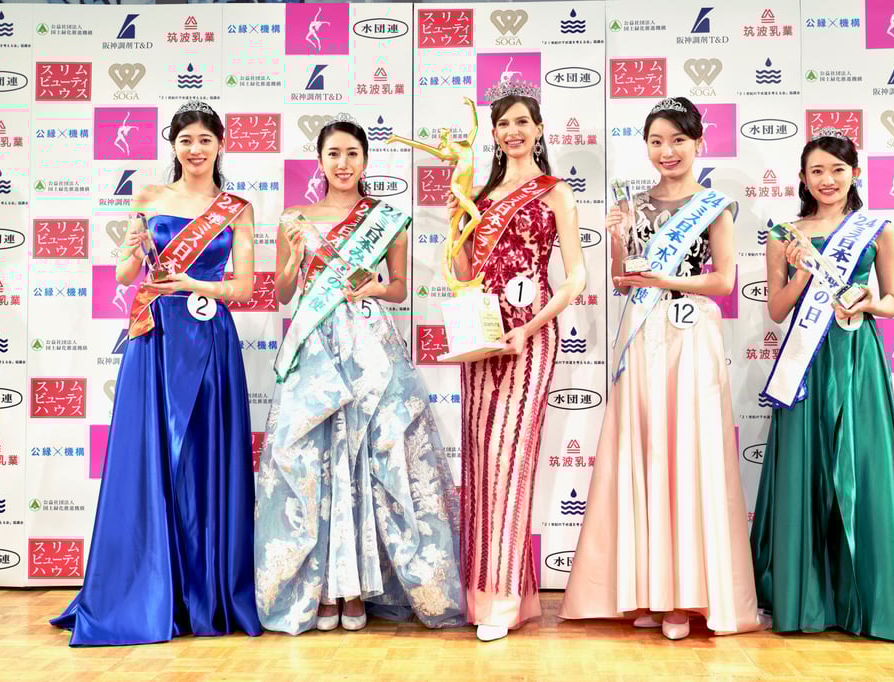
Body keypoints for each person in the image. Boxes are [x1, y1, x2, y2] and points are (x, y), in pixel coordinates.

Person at [751, 128, 894, 641]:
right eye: (817, 171)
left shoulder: (875, 228)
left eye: (837, 169)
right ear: (804, 178)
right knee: (807, 473)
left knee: (864, 469)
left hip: (857, 356)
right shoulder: (784, 234)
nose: (827, 180)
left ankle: (877, 597)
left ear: (855, 173)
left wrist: (867, 302)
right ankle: (807, 601)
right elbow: (776, 309)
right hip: (806, 363)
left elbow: (893, 300)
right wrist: (802, 274)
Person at [51, 100, 261, 645]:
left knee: (204, 461)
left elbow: (243, 289)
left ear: (220, 144)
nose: (196, 149)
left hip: (210, 337)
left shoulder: (237, 207)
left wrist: (194, 286)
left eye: (205, 140)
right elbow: (126, 274)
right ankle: (152, 592)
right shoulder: (147, 197)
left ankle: (205, 594)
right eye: (186, 139)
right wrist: (132, 250)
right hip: (155, 339)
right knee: (154, 461)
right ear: (173, 145)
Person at [559, 97, 764, 640]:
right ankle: (645, 590)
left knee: (687, 456)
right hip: (643, 333)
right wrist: (619, 238)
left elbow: (723, 283)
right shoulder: (635, 203)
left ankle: (684, 597)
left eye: (677, 139)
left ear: (698, 143)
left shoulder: (715, 205)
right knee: (643, 452)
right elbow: (624, 280)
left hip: (691, 335)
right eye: (656, 141)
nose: (666, 151)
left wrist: (667, 282)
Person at [254, 115, 465, 634]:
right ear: (320, 160)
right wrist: (293, 264)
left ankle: (359, 589)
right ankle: (324, 590)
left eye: (352, 153)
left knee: (371, 460)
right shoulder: (294, 218)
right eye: (333, 154)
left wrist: (369, 288)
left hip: (370, 345)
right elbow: (283, 294)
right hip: (314, 347)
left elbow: (398, 290)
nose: (343, 163)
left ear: (365, 160)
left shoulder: (386, 218)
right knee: (314, 462)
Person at [446, 82, 586, 642]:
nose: (513, 131)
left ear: (539, 129)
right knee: (481, 464)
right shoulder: (477, 197)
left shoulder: (555, 192)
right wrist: (455, 211)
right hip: (482, 335)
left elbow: (575, 277)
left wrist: (529, 326)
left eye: (523, 121)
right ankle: (489, 594)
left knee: (510, 460)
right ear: (495, 134)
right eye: (503, 123)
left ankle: (502, 600)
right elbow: (460, 272)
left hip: (530, 337)